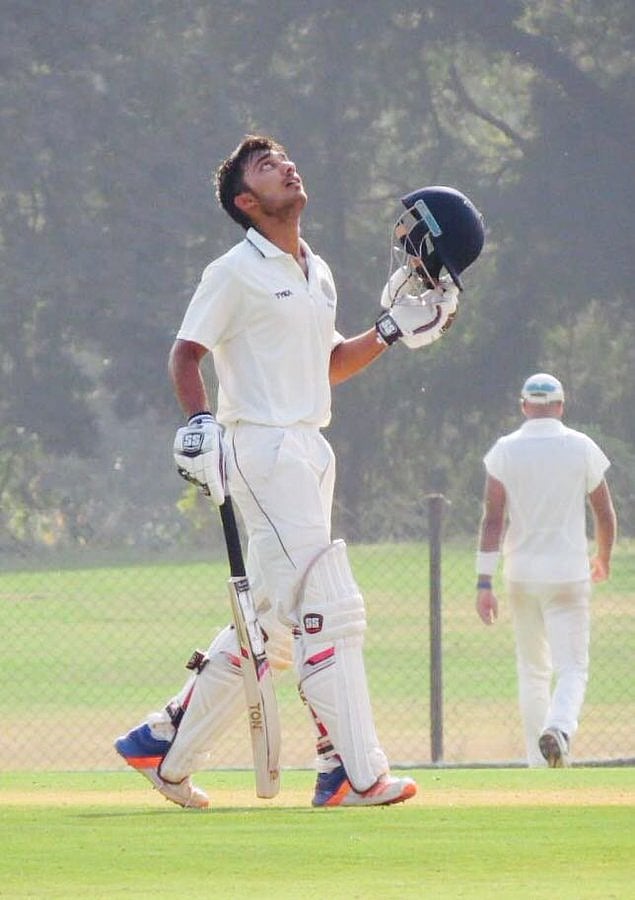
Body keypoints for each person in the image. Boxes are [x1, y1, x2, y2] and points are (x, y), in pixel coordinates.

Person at [115, 134, 484, 807]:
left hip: (311, 447)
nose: (286, 166)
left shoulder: (317, 271)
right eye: (267, 167)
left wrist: (393, 329)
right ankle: (352, 769)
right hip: (259, 447)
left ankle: (163, 741)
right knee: (330, 607)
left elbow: (328, 367)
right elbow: (185, 354)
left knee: (274, 628)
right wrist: (199, 423)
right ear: (247, 202)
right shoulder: (232, 270)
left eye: (284, 158)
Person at [475, 373, 617, 767]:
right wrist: (603, 557)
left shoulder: (506, 450)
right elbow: (604, 513)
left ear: (524, 406)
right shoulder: (580, 447)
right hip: (569, 574)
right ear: (560, 405)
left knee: (532, 669)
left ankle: (539, 764)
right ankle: (560, 729)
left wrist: (483, 582)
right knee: (573, 667)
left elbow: (492, 519)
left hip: (521, 574)